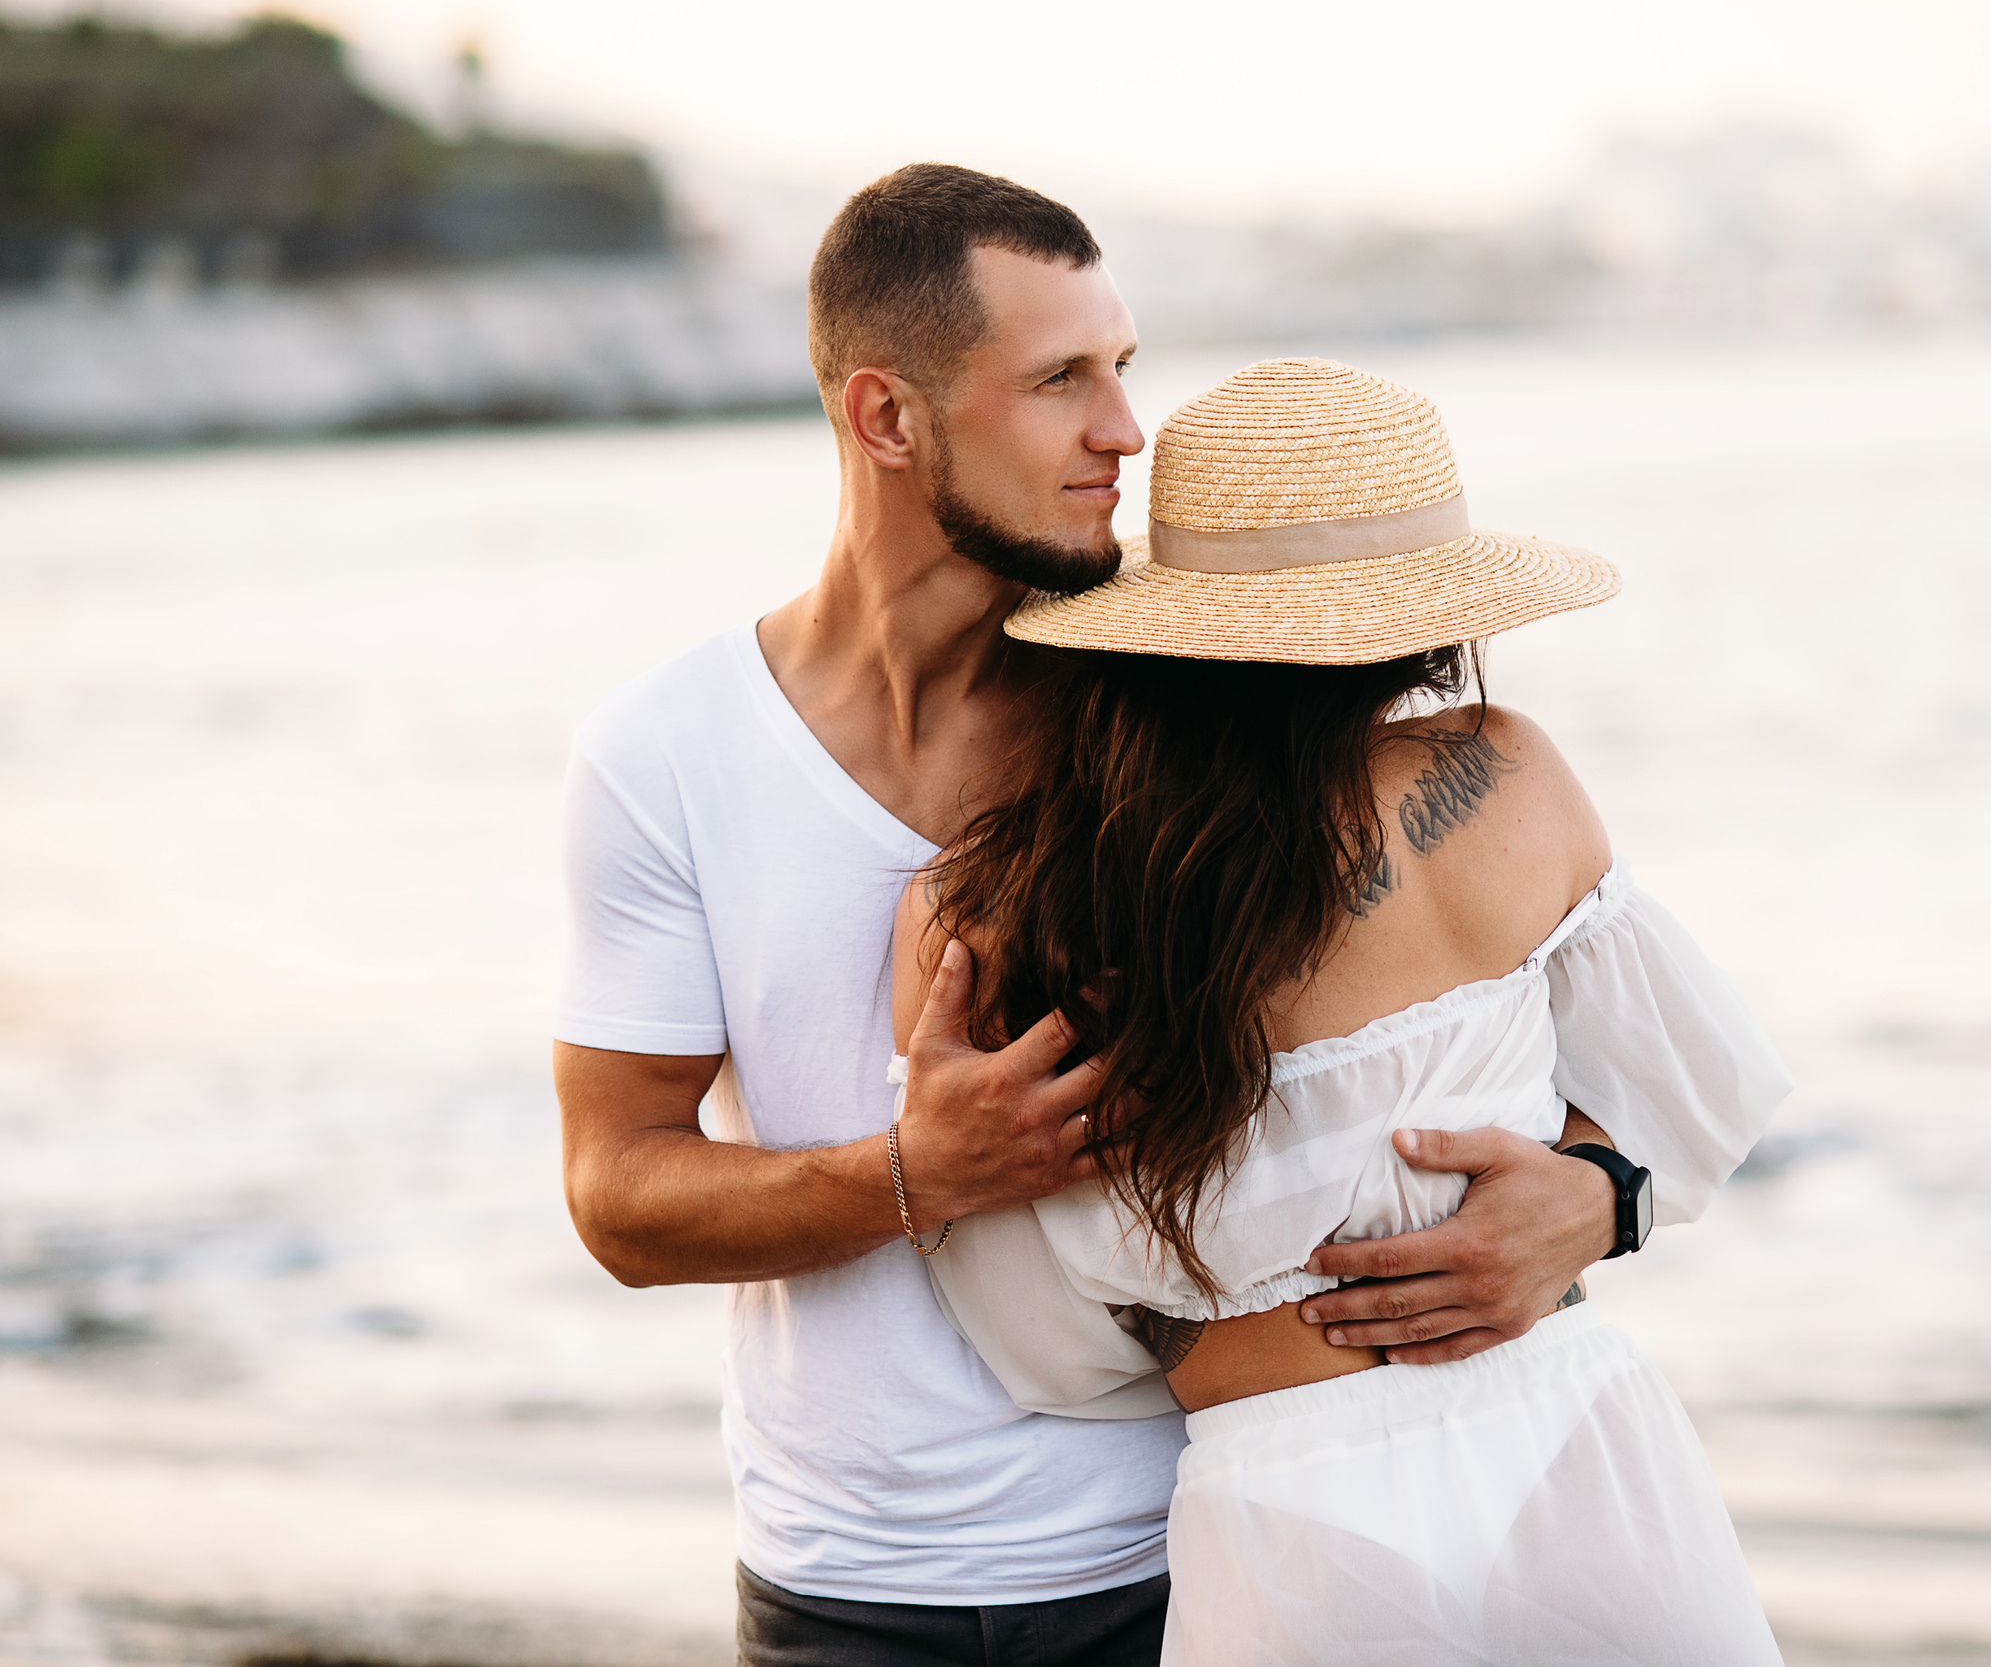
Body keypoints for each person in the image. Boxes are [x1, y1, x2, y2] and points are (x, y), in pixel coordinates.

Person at [551, 165, 1634, 1666]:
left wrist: (1597, 1197)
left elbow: (1510, 1003)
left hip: (1208, 1554)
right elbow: (618, 1197)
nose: (1126, 431)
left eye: (1122, 367)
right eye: (1061, 379)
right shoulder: (666, 752)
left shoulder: (1200, 685)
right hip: (848, 1585)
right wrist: (916, 1173)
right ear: (886, 417)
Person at [884, 357, 1795, 1666]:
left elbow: (1042, 1347)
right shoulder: (1506, 778)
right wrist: (1598, 1199)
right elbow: (1693, 1102)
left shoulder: (996, 903)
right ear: (1429, 610)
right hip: (1574, 1432)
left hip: (1292, 1505)